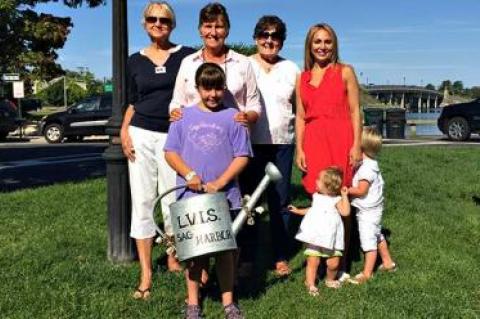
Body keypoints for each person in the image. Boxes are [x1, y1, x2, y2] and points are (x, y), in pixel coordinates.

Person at [120, 1, 195, 299]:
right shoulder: (134, 61)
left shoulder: (187, 56)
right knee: (143, 200)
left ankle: (174, 257)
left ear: (172, 24)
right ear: (144, 23)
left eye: (164, 20)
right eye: (152, 19)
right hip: (140, 132)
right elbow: (133, 100)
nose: (158, 23)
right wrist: (124, 131)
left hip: (174, 136)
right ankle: (146, 273)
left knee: (174, 199)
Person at [165, 63, 250, 319]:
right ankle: (193, 303)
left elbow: (242, 156)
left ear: (224, 88)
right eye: (207, 89)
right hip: (190, 197)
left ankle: (228, 303)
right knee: (194, 254)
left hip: (225, 197)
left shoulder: (233, 118)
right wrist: (189, 174)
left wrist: (221, 182)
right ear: (198, 88)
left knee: (225, 252)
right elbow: (170, 152)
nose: (212, 94)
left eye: (217, 89)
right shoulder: (183, 116)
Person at [295, 23, 363, 281]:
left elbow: (356, 111)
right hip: (314, 142)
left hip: (340, 139)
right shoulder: (301, 78)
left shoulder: (345, 71)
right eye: (317, 42)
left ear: (334, 45)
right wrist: (300, 148)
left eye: (327, 42)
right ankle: (317, 258)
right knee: (319, 201)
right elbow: (300, 117)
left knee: (340, 200)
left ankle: (341, 261)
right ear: (309, 46)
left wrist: (356, 144)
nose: (322, 47)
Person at [243, 15, 300, 276]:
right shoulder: (243, 65)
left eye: (275, 36)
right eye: (264, 35)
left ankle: (280, 255)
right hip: (250, 143)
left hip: (282, 144)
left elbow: (300, 110)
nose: (269, 40)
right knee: (249, 201)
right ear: (256, 38)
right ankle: (247, 256)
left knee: (280, 201)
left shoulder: (291, 69)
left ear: (282, 41)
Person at [169, 2, 261, 125]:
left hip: (232, 138)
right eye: (208, 26)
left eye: (219, 27)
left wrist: (245, 117)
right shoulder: (187, 63)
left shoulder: (243, 62)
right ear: (200, 30)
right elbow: (177, 102)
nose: (213, 32)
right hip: (194, 137)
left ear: (227, 30)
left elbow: (254, 105)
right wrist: (175, 112)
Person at [288, 167, 350, 296]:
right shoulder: (316, 197)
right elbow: (312, 210)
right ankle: (310, 283)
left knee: (333, 263)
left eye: (318, 180)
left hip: (331, 237)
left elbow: (345, 212)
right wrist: (299, 211)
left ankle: (329, 279)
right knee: (313, 261)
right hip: (316, 236)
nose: (316, 181)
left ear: (327, 185)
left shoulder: (336, 199)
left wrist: (344, 197)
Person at [347, 127, 396, 284]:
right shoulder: (371, 163)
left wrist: (346, 190)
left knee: (368, 241)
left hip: (367, 212)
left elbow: (361, 190)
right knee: (377, 235)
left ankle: (367, 273)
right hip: (375, 209)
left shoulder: (366, 168)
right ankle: (388, 262)